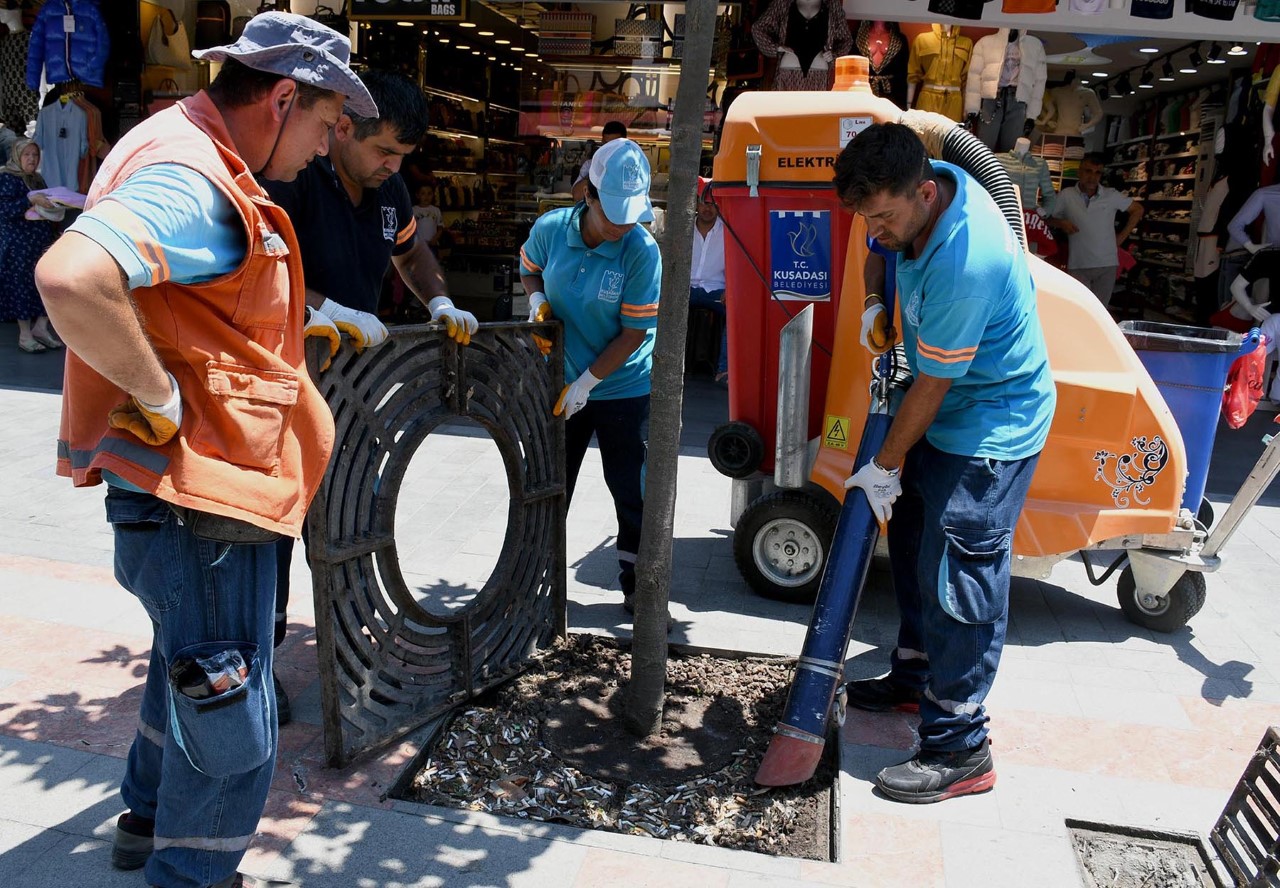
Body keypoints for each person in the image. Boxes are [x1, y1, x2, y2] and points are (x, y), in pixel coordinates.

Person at [34, 12, 376, 887]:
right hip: (208, 503)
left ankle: (145, 821)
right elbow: (73, 277)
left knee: (188, 670)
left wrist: (300, 329)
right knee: (232, 721)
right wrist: (155, 391)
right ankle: (186, 873)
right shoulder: (197, 178)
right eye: (326, 124)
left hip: (180, 497)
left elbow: (194, 307)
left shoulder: (172, 139)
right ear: (283, 97)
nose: (324, 146)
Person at [833, 123, 1056, 804]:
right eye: (869, 216)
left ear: (925, 193)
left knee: (961, 574)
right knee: (912, 547)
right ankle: (914, 675)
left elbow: (932, 385)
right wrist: (875, 300)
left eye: (887, 217)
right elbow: (877, 250)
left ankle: (962, 747)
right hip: (946, 408)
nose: (879, 228)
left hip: (993, 423)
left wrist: (883, 463)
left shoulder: (969, 256)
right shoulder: (910, 192)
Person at [261, 69, 478, 723]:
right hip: (280, 391)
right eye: (384, 151)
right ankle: (257, 666)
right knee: (271, 536)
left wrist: (436, 297)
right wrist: (321, 310)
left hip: (354, 398)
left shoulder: (390, 190)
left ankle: (354, 650)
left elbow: (411, 255)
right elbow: (258, 269)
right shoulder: (293, 178)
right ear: (343, 127)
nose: (391, 166)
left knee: (355, 521)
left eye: (402, 158)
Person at [519, 138, 660, 613]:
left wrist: (588, 384)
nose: (622, 224)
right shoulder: (552, 230)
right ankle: (538, 581)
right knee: (551, 483)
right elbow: (529, 271)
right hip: (558, 380)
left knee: (630, 486)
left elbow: (634, 333)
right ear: (589, 195)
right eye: (612, 212)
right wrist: (537, 302)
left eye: (631, 213)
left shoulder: (641, 251)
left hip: (623, 385)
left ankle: (637, 582)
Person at [1049, 152, 1143, 308]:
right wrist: (1061, 223)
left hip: (1106, 264)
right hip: (1078, 263)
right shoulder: (1067, 195)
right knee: (1078, 310)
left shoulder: (1110, 195)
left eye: (1097, 172)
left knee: (1099, 312)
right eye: (1088, 171)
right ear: (1079, 172)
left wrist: (1121, 238)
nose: (1092, 177)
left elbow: (1138, 210)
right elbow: (1047, 218)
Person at [0, 138, 62, 352]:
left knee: (45, 284)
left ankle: (41, 328)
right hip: (18, 244)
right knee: (22, 288)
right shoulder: (7, 178)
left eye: (35, 155)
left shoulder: (36, 179)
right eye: (27, 155)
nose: (32, 159)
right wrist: (30, 200)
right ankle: (25, 335)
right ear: (17, 156)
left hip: (39, 241)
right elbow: (5, 211)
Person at [751, 0, 852, 92]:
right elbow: (758, 28)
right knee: (786, 110)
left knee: (815, 110)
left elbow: (846, 40)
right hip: (788, 73)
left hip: (819, 75)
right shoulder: (783, 3)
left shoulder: (832, 5)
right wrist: (776, 48)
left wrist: (834, 56)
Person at [689, 176, 728, 383]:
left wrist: (730, 289)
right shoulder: (684, 229)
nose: (707, 208)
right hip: (684, 290)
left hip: (716, 291)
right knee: (655, 309)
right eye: (704, 202)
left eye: (713, 204)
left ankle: (724, 370)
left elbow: (735, 265)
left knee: (737, 313)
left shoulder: (728, 230)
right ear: (696, 202)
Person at [572, 119, 626, 202]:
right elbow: (577, 196)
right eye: (607, 144)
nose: (610, 148)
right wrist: (596, 171)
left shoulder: (630, 166)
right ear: (603, 142)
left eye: (615, 144)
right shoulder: (590, 165)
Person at [413, 182, 443, 247]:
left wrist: (435, 239)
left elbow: (440, 228)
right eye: (423, 193)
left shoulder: (436, 210)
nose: (426, 196)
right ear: (417, 195)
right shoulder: (413, 210)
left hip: (433, 244)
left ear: (433, 195)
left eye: (429, 193)